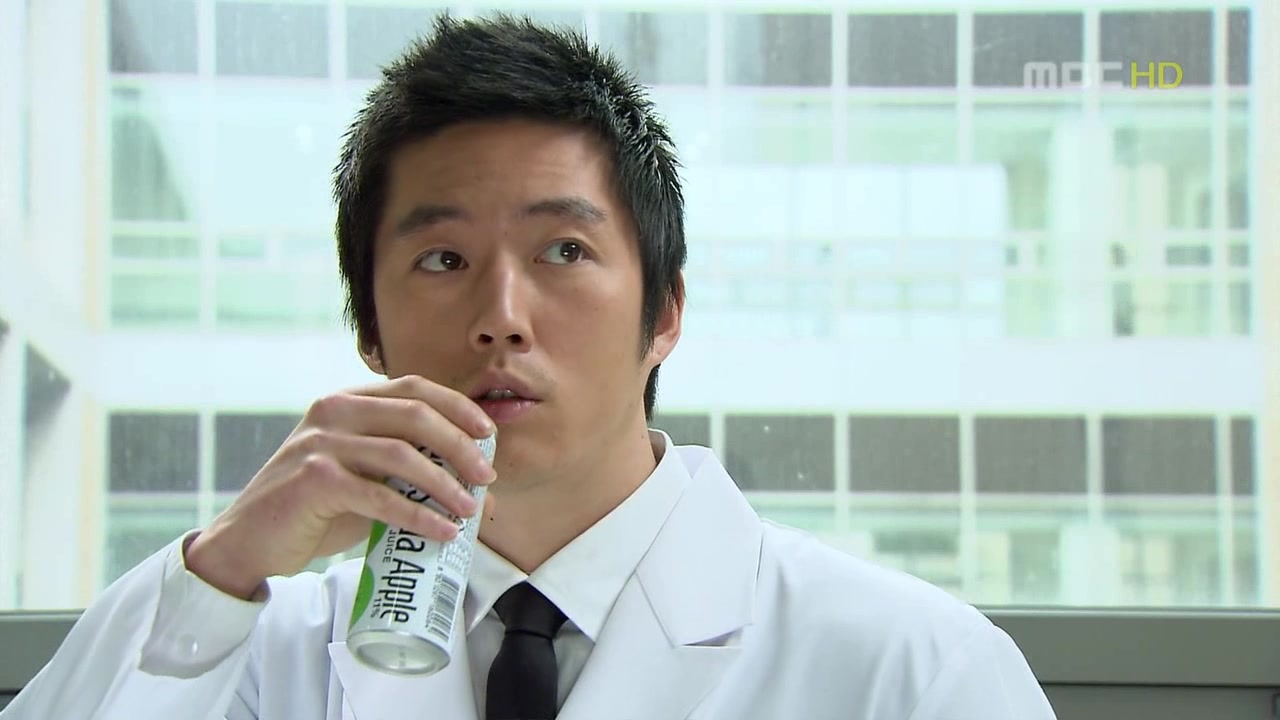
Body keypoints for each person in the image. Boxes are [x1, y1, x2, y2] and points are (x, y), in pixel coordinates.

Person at [3, 14, 1057, 720]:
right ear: (370, 334)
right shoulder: (258, 653)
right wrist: (225, 564)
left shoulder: (913, 671)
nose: (500, 319)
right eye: (442, 260)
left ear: (664, 314)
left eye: (563, 251)